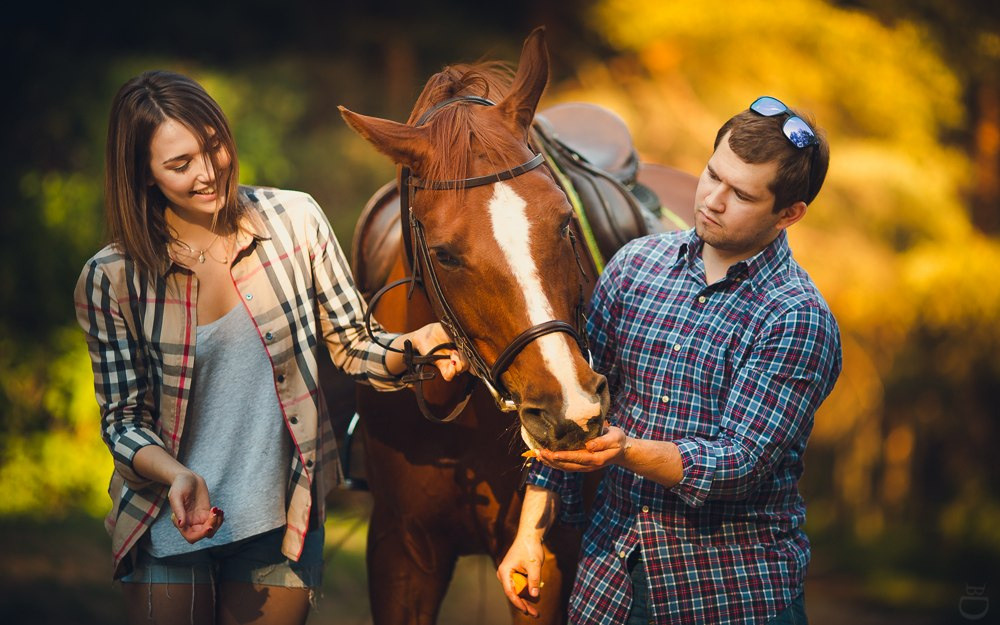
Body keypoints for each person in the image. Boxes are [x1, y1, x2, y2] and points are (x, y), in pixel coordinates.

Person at [74, 70, 464, 625]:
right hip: (167, 513)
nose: (208, 173)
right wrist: (176, 475)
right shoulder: (111, 278)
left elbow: (354, 344)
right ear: (144, 175)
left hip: (281, 517)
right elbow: (124, 421)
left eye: (214, 147)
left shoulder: (295, 221)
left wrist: (415, 346)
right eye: (180, 165)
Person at [498, 96, 842, 624]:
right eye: (713, 175)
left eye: (741, 194)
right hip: (607, 587)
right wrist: (530, 534)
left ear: (789, 214)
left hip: (729, 595)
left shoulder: (796, 317)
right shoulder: (635, 266)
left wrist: (625, 451)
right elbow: (572, 408)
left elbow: (739, 463)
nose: (713, 200)